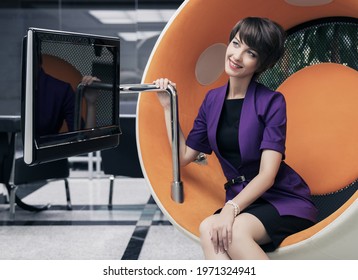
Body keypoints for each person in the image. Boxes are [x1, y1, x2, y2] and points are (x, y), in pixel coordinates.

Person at [154, 17, 318, 260]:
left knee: (236, 232)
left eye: (250, 52)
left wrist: (231, 209)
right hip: (243, 201)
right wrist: (169, 107)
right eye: (236, 43)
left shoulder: (272, 102)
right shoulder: (212, 100)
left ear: (262, 63)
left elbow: (267, 174)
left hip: (282, 199)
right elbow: (183, 157)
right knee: (208, 229)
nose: (237, 56)